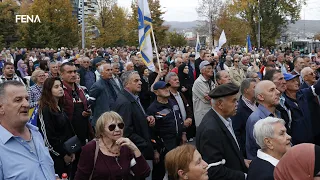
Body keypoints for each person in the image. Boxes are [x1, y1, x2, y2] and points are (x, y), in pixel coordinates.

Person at [0, 81, 57, 179]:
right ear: (1, 108)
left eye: (27, 99)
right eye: (18, 100)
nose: (26, 104)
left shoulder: (36, 133)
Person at [75, 111, 150, 179]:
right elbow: (80, 177)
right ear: (102, 131)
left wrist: (134, 148)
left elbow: (144, 173)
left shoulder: (125, 146)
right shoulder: (91, 148)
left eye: (120, 125)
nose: (117, 129)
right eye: (112, 127)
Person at [196, 83, 248, 180]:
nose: (237, 104)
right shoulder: (211, 130)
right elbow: (214, 170)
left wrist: (241, 161)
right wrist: (244, 176)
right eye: (233, 101)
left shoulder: (225, 119)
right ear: (220, 104)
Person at [113, 71, 155, 180]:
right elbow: (125, 131)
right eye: (136, 81)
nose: (140, 83)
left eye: (140, 80)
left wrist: (146, 118)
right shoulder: (125, 102)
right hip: (135, 151)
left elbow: (135, 117)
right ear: (127, 84)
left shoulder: (133, 97)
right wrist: (144, 143)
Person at [60, 62, 94, 178]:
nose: (73, 74)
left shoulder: (80, 89)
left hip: (83, 134)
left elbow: (85, 107)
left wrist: (87, 112)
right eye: (69, 72)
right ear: (62, 75)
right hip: (69, 137)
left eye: (74, 72)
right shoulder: (59, 91)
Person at [147, 81, 186, 179]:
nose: (167, 90)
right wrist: (155, 150)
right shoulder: (152, 109)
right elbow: (151, 132)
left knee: (175, 170)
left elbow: (179, 119)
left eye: (167, 87)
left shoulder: (173, 103)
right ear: (156, 92)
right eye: (163, 88)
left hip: (177, 143)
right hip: (163, 146)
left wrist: (183, 133)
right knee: (159, 172)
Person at [37, 77, 75, 177]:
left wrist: (72, 150)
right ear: (49, 90)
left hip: (67, 152)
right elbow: (48, 139)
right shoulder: (45, 110)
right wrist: (62, 155)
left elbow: (67, 130)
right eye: (56, 87)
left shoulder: (60, 106)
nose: (61, 88)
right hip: (56, 157)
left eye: (61, 86)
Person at [246, 80, 281, 160]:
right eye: (271, 90)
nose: (278, 92)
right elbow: (268, 151)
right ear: (260, 97)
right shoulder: (256, 119)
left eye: (276, 88)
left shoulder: (277, 113)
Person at [231, 78, 257, 157]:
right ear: (246, 90)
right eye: (254, 87)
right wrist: (241, 155)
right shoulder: (239, 109)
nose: (257, 90)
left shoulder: (258, 103)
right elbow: (236, 133)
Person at [192, 61, 215, 127]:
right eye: (209, 68)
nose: (211, 70)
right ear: (202, 71)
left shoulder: (210, 81)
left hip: (210, 113)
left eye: (211, 68)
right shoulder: (198, 82)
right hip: (203, 115)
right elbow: (209, 97)